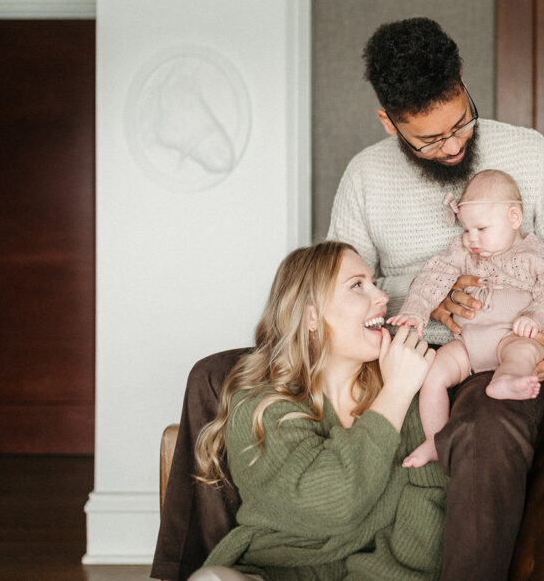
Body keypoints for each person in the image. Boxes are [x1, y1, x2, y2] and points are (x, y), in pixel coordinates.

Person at [327, 17, 544, 580]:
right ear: (389, 122)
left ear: (461, 79)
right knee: (216, 377)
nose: (453, 145)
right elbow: (341, 287)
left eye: (460, 123)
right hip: (398, 352)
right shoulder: (364, 177)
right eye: (429, 139)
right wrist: (421, 303)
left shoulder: (531, 154)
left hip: (506, 349)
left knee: (487, 429)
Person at [187, 241, 447, 581]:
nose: (382, 297)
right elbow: (331, 506)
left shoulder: (405, 390)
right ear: (312, 315)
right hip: (272, 571)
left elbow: (428, 502)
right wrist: (396, 393)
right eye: (357, 286)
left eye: (374, 283)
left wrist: (399, 390)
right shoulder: (260, 407)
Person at [390, 169, 544, 468]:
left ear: (514, 218)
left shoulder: (532, 253)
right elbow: (433, 276)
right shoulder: (464, 251)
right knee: (433, 372)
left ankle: (508, 380)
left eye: (481, 229)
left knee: (523, 352)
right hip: (467, 343)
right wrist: (416, 309)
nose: (472, 239)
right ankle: (434, 439)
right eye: (466, 230)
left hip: (512, 334)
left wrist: (535, 315)